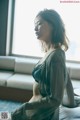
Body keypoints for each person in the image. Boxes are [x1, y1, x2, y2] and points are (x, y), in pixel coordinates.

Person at [11, 9, 77, 120]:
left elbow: (56, 99)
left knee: (4, 117)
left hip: (41, 115)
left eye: (39, 24)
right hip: (32, 110)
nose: (35, 28)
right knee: (3, 116)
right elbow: (67, 78)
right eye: (35, 25)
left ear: (53, 25)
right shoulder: (50, 52)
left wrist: (24, 108)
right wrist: (72, 100)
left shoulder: (56, 56)